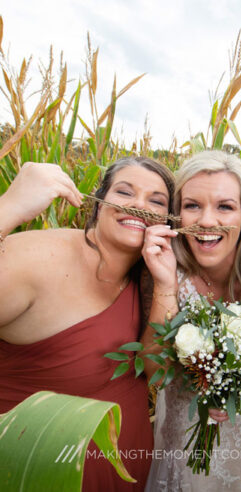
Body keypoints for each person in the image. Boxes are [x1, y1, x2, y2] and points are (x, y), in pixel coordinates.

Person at [0, 157, 175, 491]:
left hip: (125, 472)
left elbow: (156, 371)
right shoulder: (38, 258)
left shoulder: (147, 278)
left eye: (156, 201)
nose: (140, 205)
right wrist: (10, 207)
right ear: (98, 202)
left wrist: (166, 286)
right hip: (39, 474)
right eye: (125, 192)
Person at [141, 150, 241, 492]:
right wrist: (166, 285)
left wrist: (237, 384)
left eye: (225, 206)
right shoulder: (165, 273)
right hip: (178, 450)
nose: (207, 221)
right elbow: (154, 372)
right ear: (177, 213)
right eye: (192, 205)